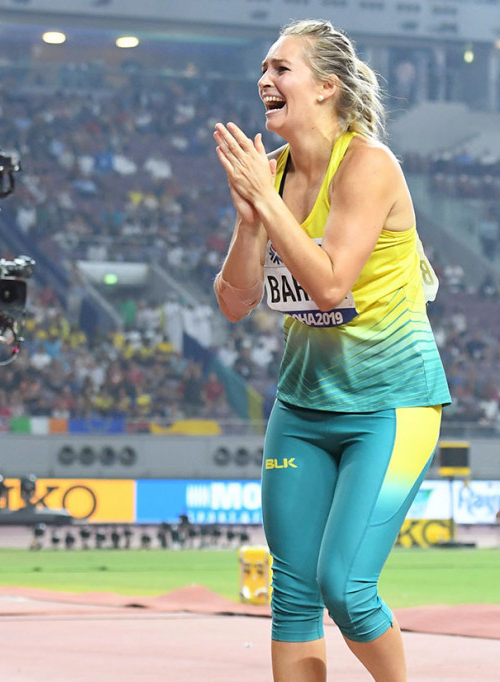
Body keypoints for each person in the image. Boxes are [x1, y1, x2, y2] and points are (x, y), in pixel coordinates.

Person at [212, 19, 450, 682]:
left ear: (326, 88)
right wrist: (249, 217)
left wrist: (268, 202)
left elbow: (330, 283)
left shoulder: (369, 166)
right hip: (303, 408)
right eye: (263, 67)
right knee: (292, 598)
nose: (264, 80)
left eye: (281, 68)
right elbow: (234, 302)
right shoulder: (273, 177)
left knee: (344, 586)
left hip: (391, 408)